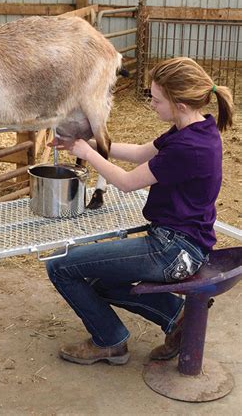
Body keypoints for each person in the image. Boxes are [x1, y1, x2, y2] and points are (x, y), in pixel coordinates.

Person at [46, 57, 234, 365]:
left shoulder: (188, 148)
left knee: (60, 265)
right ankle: (176, 317)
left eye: (157, 100)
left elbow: (126, 182)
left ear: (180, 104)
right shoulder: (194, 130)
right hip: (179, 243)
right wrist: (87, 141)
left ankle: (109, 341)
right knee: (97, 278)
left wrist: (87, 153)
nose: (152, 106)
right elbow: (138, 153)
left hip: (173, 251)